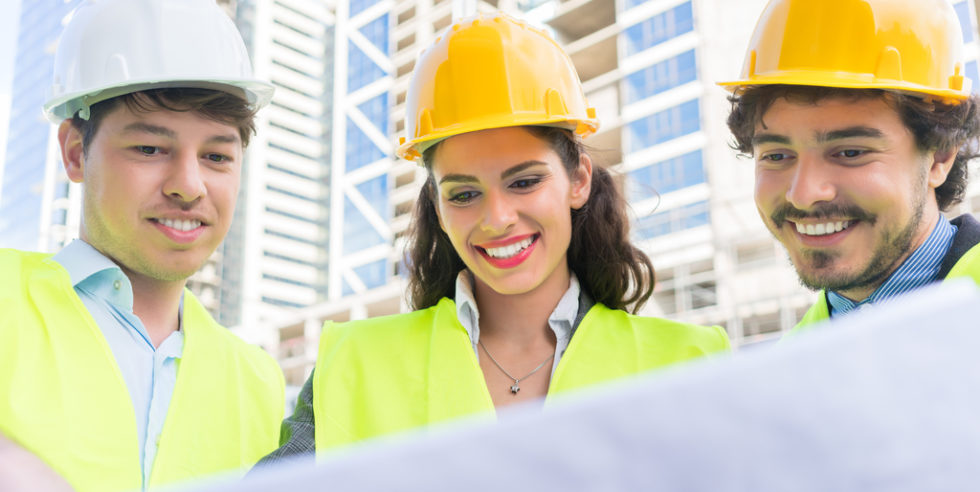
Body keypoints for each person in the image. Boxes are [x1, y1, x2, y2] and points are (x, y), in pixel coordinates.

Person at [258, 12, 729, 462]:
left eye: (524, 182)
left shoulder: (689, 365)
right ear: (437, 207)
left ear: (578, 180)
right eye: (463, 194)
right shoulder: (353, 364)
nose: (497, 218)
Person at [0, 0, 285, 490]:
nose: (189, 185)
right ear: (74, 152)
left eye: (217, 156)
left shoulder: (258, 380)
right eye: (150, 148)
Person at [721, 0, 980, 332]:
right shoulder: (785, 369)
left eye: (850, 152)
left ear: (940, 157)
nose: (803, 195)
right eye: (776, 156)